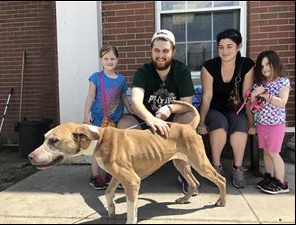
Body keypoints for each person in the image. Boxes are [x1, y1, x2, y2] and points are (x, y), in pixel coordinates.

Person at [117, 29, 196, 195]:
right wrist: (150, 119)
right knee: (123, 124)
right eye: (157, 50)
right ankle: (127, 172)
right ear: (151, 51)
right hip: (147, 121)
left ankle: (185, 173)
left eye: (165, 51)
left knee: (188, 117)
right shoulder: (143, 72)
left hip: (172, 123)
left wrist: (169, 108)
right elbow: (135, 102)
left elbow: (187, 105)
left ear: (173, 51)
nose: (161, 55)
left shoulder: (182, 71)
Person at [197, 28, 256, 188]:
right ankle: (216, 167)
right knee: (219, 124)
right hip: (214, 109)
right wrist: (201, 122)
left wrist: (251, 123)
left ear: (239, 46)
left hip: (235, 109)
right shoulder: (209, 67)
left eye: (229, 46)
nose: (225, 51)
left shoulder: (247, 65)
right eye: (221, 47)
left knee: (240, 124)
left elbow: (247, 96)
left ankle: (237, 167)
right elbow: (207, 97)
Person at [84, 45, 133, 190]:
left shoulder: (121, 80)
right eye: (106, 58)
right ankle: (95, 176)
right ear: (101, 60)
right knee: (97, 148)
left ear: (117, 60)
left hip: (115, 120)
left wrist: (131, 110)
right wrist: (86, 113)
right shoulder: (96, 78)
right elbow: (90, 96)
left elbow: (123, 97)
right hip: (99, 119)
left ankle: (110, 175)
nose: (109, 61)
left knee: (113, 148)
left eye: (112, 58)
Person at [252, 50, 290, 194]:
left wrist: (266, 94)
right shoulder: (259, 84)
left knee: (274, 152)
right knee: (266, 153)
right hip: (262, 124)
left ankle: (281, 182)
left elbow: (282, 102)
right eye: (262, 66)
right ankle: (269, 177)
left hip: (276, 124)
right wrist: (255, 94)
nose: (265, 68)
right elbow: (251, 102)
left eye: (268, 64)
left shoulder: (282, 82)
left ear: (275, 64)